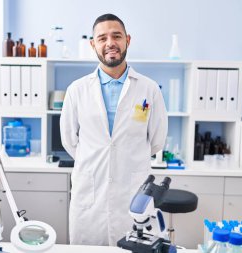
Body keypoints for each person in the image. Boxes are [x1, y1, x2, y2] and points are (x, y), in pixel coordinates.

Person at [60, 13, 168, 246]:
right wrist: (97, 160)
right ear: (93, 45)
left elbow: (157, 141)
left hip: (132, 196)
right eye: (102, 38)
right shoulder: (77, 90)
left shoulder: (149, 89)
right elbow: (69, 141)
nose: (110, 43)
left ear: (127, 40)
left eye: (116, 36)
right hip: (89, 197)